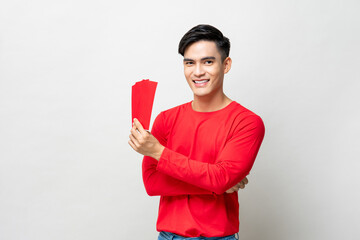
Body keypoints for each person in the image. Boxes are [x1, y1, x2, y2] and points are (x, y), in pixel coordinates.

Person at [128, 24, 265, 240]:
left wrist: (159, 153)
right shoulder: (165, 119)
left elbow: (221, 178)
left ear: (226, 64)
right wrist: (215, 186)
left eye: (208, 62)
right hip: (169, 237)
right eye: (189, 63)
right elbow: (152, 183)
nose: (198, 71)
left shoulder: (247, 122)